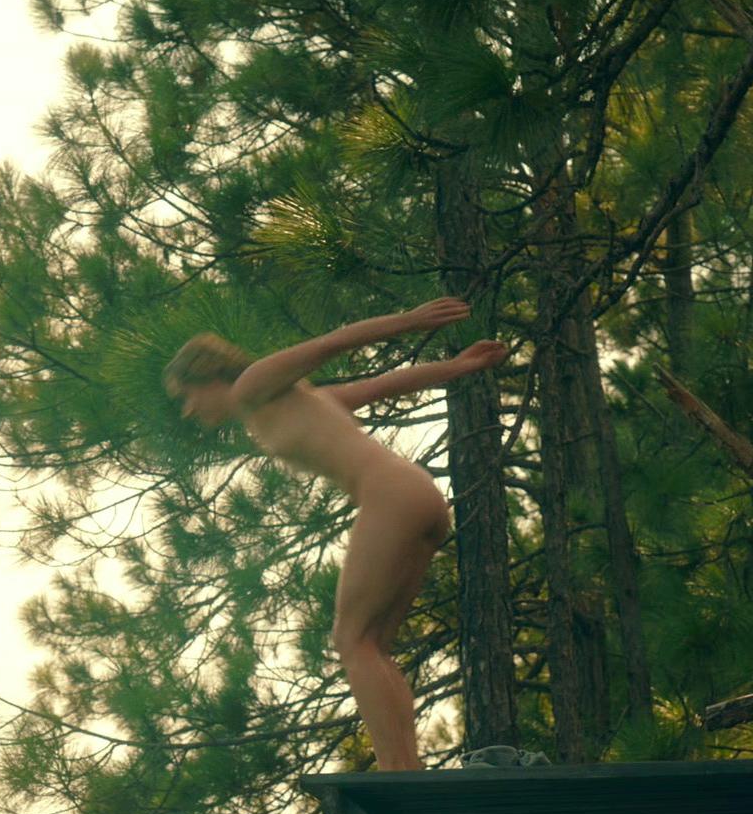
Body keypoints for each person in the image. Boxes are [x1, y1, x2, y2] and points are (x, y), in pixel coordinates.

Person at [163, 298, 508, 772]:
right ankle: (407, 770)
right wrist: (455, 368)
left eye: (186, 396)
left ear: (208, 376)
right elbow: (382, 386)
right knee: (372, 645)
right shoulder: (297, 402)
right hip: (419, 496)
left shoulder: (251, 385)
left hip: (390, 495)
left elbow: (331, 343)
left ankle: (398, 774)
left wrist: (409, 321)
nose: (188, 411)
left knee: (351, 640)